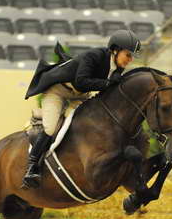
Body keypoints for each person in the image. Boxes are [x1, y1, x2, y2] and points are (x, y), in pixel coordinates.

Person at [21, 29, 141, 189]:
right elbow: (82, 81)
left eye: (131, 56)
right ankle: (32, 166)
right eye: (128, 54)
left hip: (79, 96)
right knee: (50, 128)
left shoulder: (118, 67)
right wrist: (107, 84)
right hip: (58, 92)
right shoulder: (94, 56)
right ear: (116, 49)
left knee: (84, 124)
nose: (130, 59)